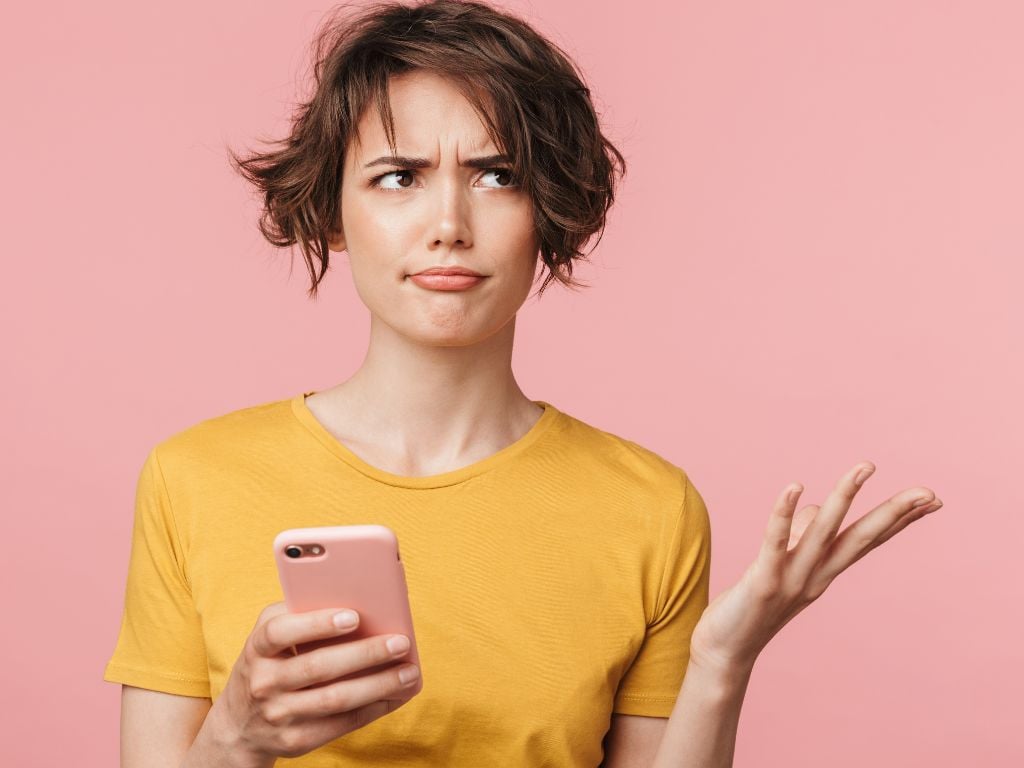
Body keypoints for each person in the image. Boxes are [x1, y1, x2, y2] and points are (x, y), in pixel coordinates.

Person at [103, 1, 943, 766]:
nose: (448, 226)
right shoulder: (195, 479)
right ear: (332, 209)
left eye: (496, 175)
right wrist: (233, 741)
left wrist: (721, 665)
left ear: (548, 211)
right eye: (398, 176)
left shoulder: (649, 507)